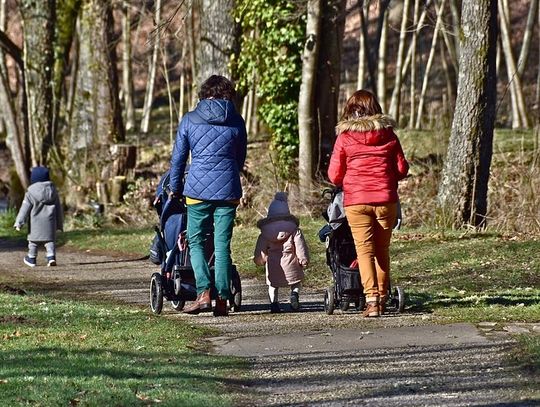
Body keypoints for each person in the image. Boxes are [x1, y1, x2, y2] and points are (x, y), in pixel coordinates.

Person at [169, 75, 247, 317]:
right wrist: (230, 174)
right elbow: (240, 157)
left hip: (197, 191)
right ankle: (222, 298)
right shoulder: (236, 120)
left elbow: (179, 159)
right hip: (228, 190)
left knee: (196, 241)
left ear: (203, 94)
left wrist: (175, 187)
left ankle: (203, 293)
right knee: (222, 245)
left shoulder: (190, 119)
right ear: (228, 95)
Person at [327, 89, 409, 317]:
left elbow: (334, 175)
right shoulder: (389, 135)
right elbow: (402, 169)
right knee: (382, 250)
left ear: (350, 110)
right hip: (385, 200)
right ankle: (383, 298)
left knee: (364, 250)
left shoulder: (344, 138)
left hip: (357, 202)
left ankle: (371, 300)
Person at [253, 192, 310, 313]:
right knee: (295, 282)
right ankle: (294, 294)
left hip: (274, 265)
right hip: (292, 263)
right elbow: (300, 246)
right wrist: (303, 259)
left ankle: (274, 303)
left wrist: (260, 260)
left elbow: (261, 250)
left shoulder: (265, 234)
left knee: (273, 285)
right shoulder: (294, 230)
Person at [14, 166, 64, 267]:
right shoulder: (53, 191)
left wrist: (19, 223)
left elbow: (24, 209)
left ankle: (31, 259)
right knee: (50, 242)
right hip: (50, 225)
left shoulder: (30, 193)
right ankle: (51, 257)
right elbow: (59, 210)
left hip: (35, 226)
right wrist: (59, 225)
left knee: (33, 243)